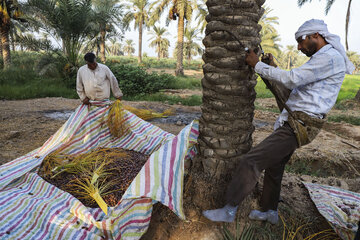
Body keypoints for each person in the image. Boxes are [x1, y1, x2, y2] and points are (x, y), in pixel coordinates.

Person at [202, 19, 355, 224]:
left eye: (301, 41)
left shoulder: (329, 58)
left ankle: (229, 210)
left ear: (316, 36)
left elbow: (293, 79)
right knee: (275, 166)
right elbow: (299, 85)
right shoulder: (324, 57)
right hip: (298, 121)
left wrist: (257, 65)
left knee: (252, 160)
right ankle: (269, 211)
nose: (299, 47)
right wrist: (271, 67)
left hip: (299, 125)